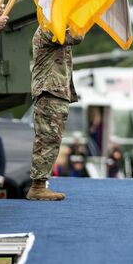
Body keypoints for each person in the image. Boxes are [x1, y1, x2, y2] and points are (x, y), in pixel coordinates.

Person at [26, 27, 83, 200]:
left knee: (52, 139)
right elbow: (76, 37)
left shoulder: (55, 26)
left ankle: (40, 184)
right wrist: (84, 18)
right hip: (49, 91)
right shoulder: (48, 28)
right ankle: (38, 187)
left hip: (55, 92)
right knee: (47, 139)